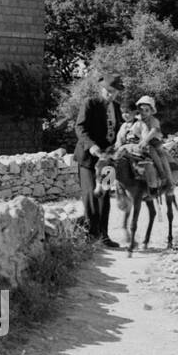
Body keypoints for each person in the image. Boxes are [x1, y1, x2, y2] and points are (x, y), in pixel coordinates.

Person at [74, 74, 125, 247]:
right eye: (108, 91)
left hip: (107, 159)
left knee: (104, 195)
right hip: (88, 158)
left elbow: (118, 130)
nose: (111, 94)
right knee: (91, 194)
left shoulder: (116, 107)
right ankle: (90, 236)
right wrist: (91, 146)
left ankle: (104, 236)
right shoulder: (90, 103)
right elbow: (80, 127)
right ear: (102, 89)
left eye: (114, 92)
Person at [114, 95, 175, 191]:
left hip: (152, 141)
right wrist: (118, 144)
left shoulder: (152, 120)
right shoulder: (132, 121)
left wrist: (144, 140)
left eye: (147, 110)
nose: (144, 112)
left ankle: (164, 175)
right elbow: (121, 136)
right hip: (135, 144)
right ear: (137, 110)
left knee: (158, 153)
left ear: (151, 111)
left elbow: (153, 131)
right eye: (141, 110)